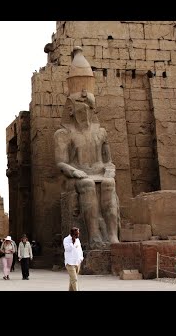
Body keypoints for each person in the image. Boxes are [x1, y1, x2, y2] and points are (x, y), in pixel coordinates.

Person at [54, 46, 120, 250]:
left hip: (99, 171)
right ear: (71, 109)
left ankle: (112, 235)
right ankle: (94, 236)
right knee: (88, 185)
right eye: (79, 107)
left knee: (108, 183)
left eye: (87, 107)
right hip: (77, 176)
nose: (84, 111)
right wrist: (76, 171)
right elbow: (61, 163)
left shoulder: (101, 132)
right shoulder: (63, 134)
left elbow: (107, 159)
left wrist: (110, 169)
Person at [63, 227, 84, 291]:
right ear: (73, 233)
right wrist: (73, 242)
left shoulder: (78, 240)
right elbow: (67, 249)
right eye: (77, 233)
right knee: (74, 279)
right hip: (70, 263)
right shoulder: (66, 239)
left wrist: (81, 258)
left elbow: (80, 249)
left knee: (72, 279)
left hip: (77, 262)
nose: (78, 234)